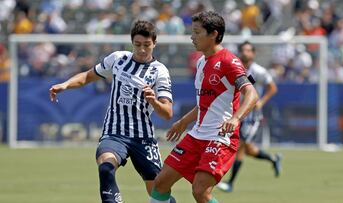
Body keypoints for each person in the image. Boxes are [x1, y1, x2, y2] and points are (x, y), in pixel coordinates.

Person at [49, 20, 176, 203]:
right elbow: (87, 76)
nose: (141, 49)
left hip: (143, 137)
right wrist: (65, 84)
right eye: (137, 45)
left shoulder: (160, 71)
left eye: (146, 45)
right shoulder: (118, 59)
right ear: (132, 43)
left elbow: (167, 113)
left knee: (158, 193)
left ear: (154, 43)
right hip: (114, 133)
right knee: (106, 167)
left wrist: (153, 101)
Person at [149, 11, 259, 203]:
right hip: (197, 135)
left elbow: (252, 94)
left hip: (220, 138)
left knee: (200, 192)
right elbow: (204, 104)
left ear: (214, 34)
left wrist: (235, 118)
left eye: (197, 32)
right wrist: (183, 122)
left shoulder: (229, 62)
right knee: (160, 183)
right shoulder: (201, 62)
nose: (192, 37)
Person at [217, 41, 282, 193]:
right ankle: (273, 159)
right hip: (235, 113)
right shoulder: (235, 67)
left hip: (251, 116)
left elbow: (272, 88)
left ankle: (230, 183)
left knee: (240, 145)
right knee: (248, 149)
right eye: (243, 50)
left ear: (253, 53)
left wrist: (261, 102)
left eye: (248, 50)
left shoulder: (258, 71)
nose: (245, 53)